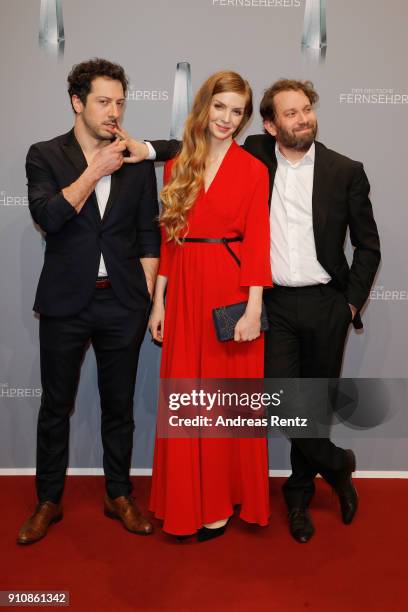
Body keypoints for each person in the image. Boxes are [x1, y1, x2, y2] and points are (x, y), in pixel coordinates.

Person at [132, 78, 381, 543]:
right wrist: (159, 300)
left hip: (313, 300)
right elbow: (173, 226)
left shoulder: (336, 169)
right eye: (290, 112)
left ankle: (301, 494)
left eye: (306, 109)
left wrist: (349, 304)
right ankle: (325, 466)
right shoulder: (223, 161)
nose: (301, 118)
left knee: (303, 409)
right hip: (247, 299)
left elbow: (362, 244)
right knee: (243, 405)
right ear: (269, 124)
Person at [17, 58, 160, 545]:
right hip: (65, 303)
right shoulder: (45, 155)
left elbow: (148, 236)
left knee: (118, 408)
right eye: (103, 101)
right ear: (77, 103)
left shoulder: (135, 161)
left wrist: (144, 299)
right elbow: (49, 217)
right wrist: (94, 170)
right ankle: (48, 500)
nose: (113, 111)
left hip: (122, 303)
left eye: (120, 101)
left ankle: (119, 494)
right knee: (55, 407)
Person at [148, 70, 272, 540]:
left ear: (244, 118)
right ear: (205, 106)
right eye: (220, 106)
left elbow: (258, 242)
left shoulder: (254, 170)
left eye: (237, 111)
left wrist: (254, 309)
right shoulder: (178, 164)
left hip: (231, 292)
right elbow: (169, 239)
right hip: (183, 291)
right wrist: (158, 302)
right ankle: (186, 499)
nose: (227, 118)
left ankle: (218, 502)